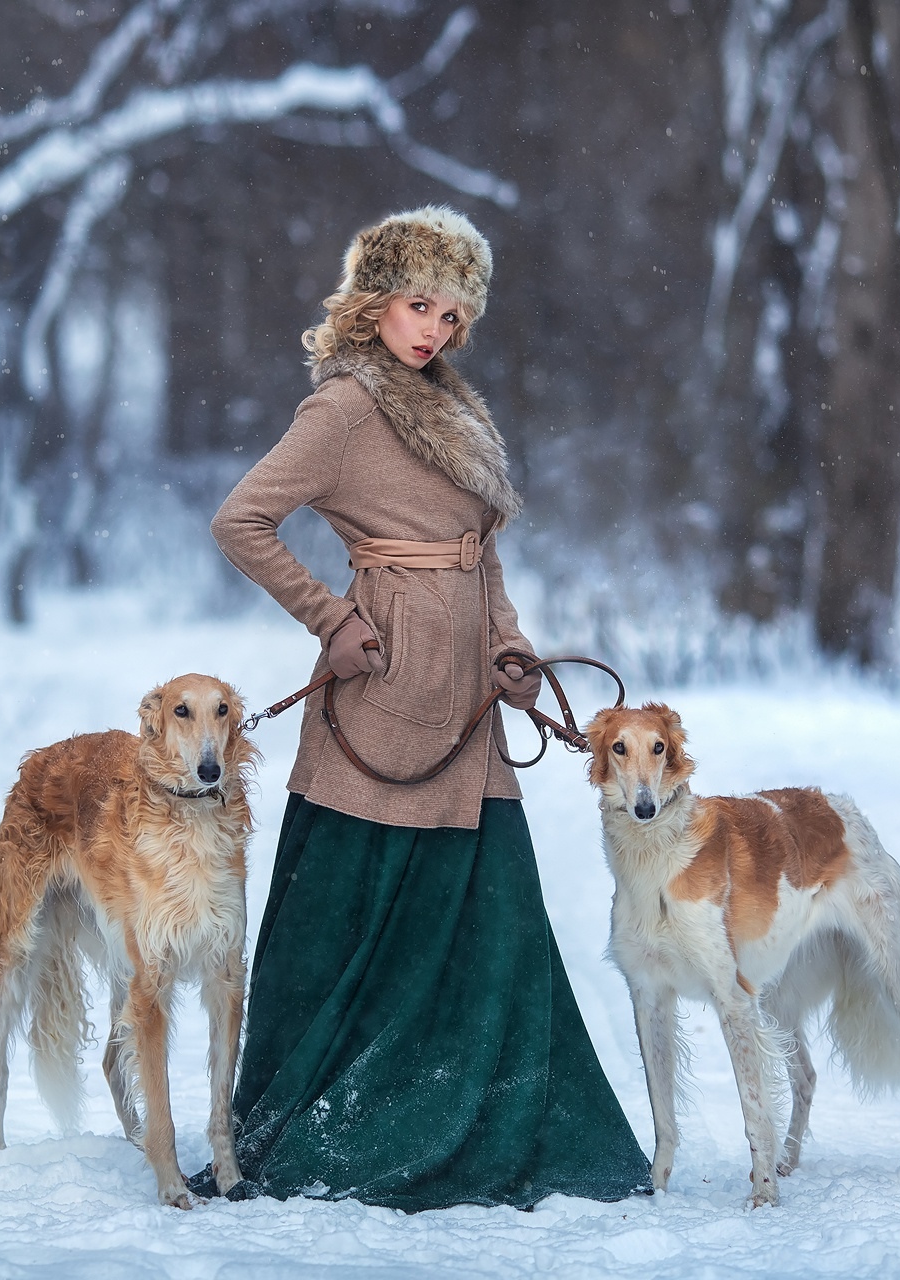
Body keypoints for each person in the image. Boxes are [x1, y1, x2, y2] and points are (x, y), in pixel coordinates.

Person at [200, 206, 651, 1211]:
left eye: (451, 313)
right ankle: (350, 1117)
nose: (433, 330)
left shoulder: (450, 405)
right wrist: (331, 617)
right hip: (385, 690)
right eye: (418, 304)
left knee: (489, 913)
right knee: (358, 913)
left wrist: (512, 643)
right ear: (374, 299)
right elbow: (242, 518)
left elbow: (479, 550)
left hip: (469, 698)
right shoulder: (347, 407)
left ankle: (486, 1113)